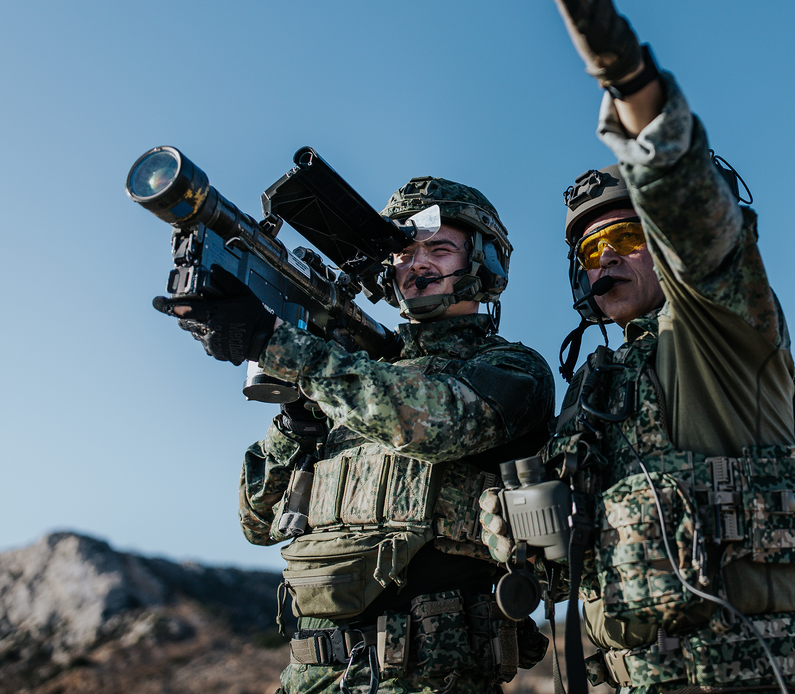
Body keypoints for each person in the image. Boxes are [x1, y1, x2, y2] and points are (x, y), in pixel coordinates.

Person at [482, 0, 795, 694]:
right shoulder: (599, 388)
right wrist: (523, 533)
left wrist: (630, 84)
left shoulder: (718, 328)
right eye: (589, 250)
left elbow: (697, 220)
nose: (605, 259)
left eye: (625, 236)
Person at [157, 176, 555, 694]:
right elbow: (257, 521)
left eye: (439, 249)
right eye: (404, 252)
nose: (417, 263)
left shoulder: (510, 369)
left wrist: (279, 345)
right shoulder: (350, 379)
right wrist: (295, 423)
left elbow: (432, 424)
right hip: (310, 678)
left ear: (486, 263)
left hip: (431, 679)